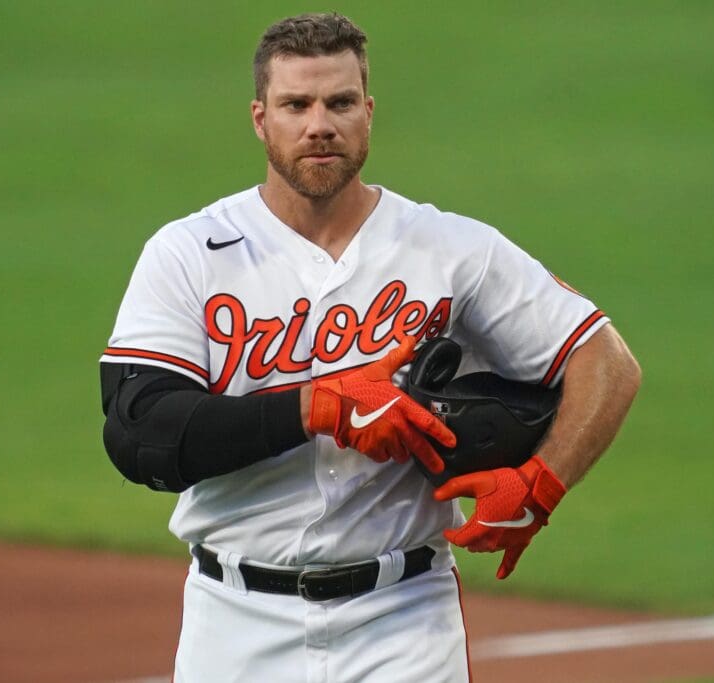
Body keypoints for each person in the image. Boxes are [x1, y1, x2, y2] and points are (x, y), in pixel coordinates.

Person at [99, 12, 640, 683]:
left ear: (369, 112)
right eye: (296, 104)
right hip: (233, 624)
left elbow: (606, 361)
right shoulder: (188, 254)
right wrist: (316, 406)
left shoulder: (447, 248)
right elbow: (139, 433)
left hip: (404, 618)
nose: (319, 123)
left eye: (340, 102)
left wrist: (540, 484)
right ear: (260, 118)